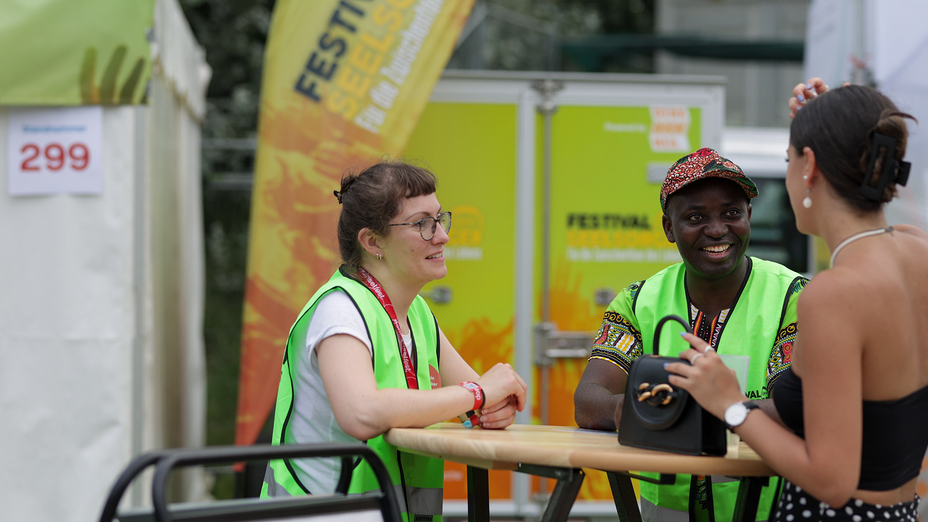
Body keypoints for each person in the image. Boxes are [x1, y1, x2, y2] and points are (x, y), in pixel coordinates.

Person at [667, 79, 928, 521]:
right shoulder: (922, 251)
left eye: (789, 161)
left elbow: (830, 481)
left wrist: (730, 404)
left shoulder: (833, 295)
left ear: (810, 167)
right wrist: (833, 123)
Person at [261, 161, 528, 521]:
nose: (442, 236)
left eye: (440, 219)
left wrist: (492, 405)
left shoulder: (416, 311)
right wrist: (479, 394)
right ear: (373, 242)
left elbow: (481, 403)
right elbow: (362, 413)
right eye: (422, 224)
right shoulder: (340, 310)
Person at [574, 148, 808, 522]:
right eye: (696, 217)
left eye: (731, 213)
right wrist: (625, 409)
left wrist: (689, 413)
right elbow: (588, 399)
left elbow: (796, 410)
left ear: (749, 216)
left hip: (765, 507)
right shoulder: (638, 301)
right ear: (669, 228)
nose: (716, 229)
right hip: (667, 511)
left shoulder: (793, 298)